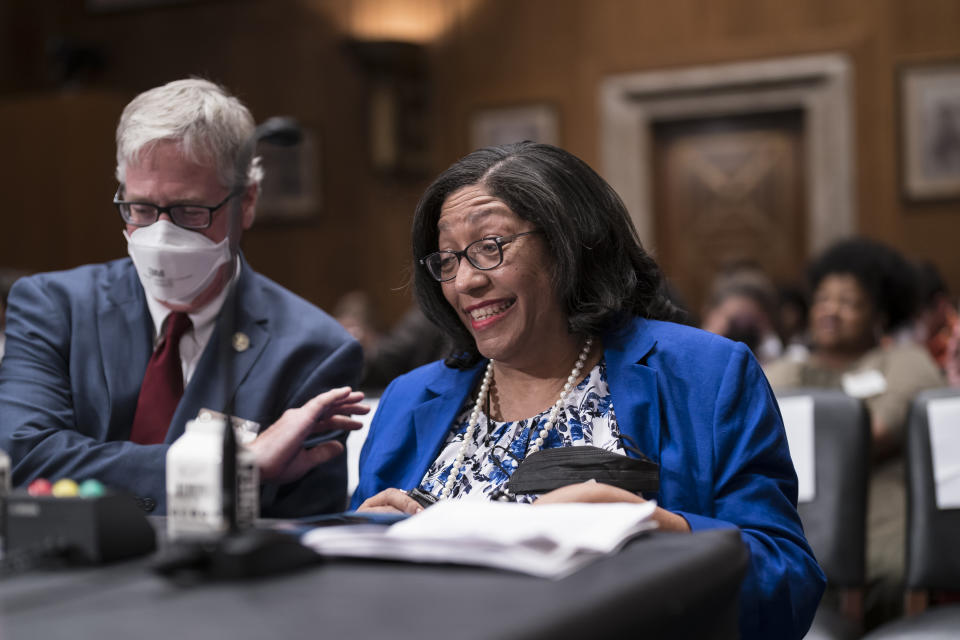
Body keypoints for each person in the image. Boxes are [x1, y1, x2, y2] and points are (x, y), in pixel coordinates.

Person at [350, 142, 824, 640]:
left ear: (568, 244)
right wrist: (364, 540)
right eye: (447, 259)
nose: (464, 280)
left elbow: (787, 583)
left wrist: (657, 528)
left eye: (490, 247)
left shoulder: (704, 373)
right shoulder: (409, 400)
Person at [0, 79, 364, 517]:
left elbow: (306, 532)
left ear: (246, 202)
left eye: (190, 211)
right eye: (141, 209)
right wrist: (232, 468)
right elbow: (25, 457)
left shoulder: (313, 350)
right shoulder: (54, 307)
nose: (160, 235)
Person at [764, 237, 945, 627]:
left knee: (889, 570)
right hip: (799, 505)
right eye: (824, 299)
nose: (831, 311)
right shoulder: (786, 370)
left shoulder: (902, 361)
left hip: (881, 499)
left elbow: (880, 430)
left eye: (849, 302)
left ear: (879, 314)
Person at [700, 262, 783, 364]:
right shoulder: (694, 356)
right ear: (709, 314)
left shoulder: (775, 356)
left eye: (751, 324)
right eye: (734, 322)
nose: (741, 334)